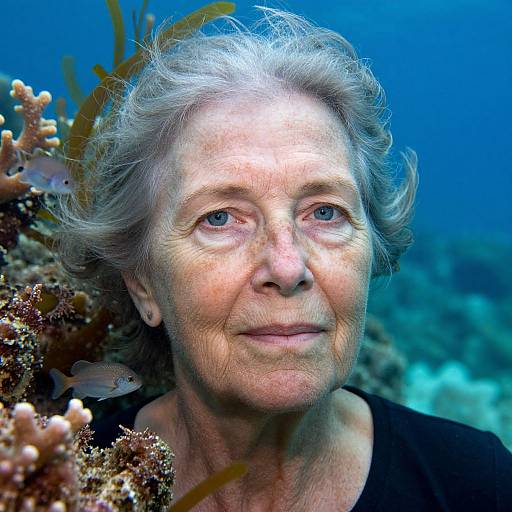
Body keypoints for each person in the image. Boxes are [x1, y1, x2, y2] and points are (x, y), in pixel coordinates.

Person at [55, 7, 512, 511]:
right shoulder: (59, 484)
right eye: (221, 219)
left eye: (324, 212)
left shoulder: (479, 484)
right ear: (143, 283)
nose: (288, 267)